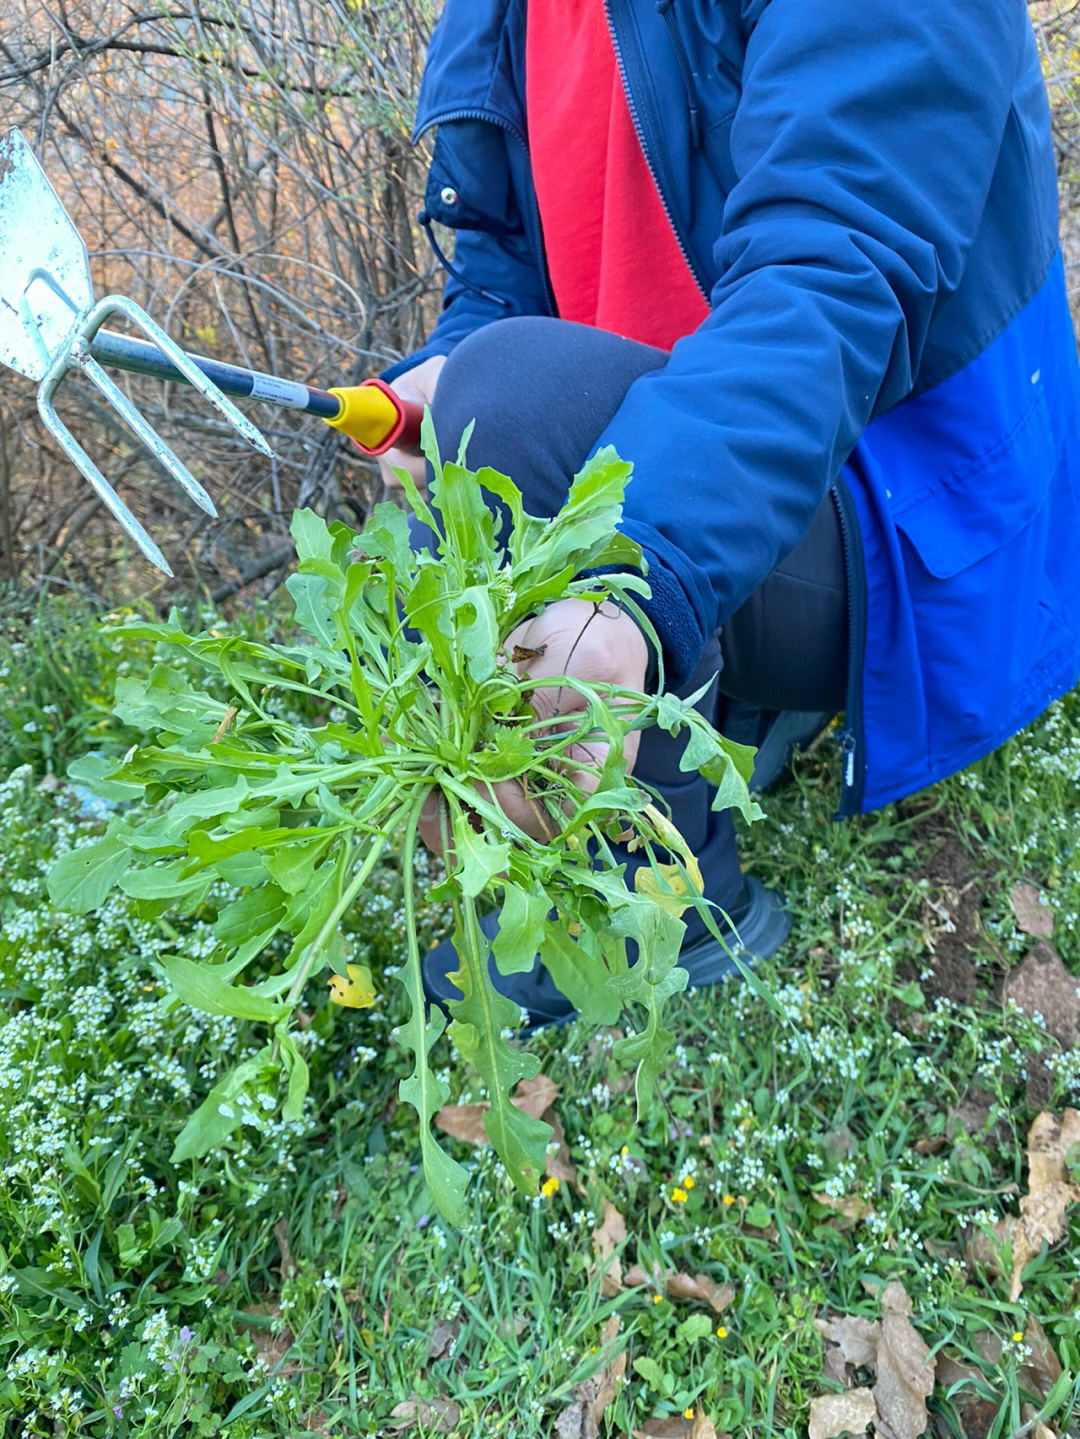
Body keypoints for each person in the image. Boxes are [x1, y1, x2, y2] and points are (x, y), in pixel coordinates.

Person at [375, 0, 1080, 1031]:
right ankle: (702, 699)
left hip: (901, 503)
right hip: (701, 467)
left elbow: (833, 271)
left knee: (513, 401)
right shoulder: (502, 14)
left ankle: (664, 886)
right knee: (467, 433)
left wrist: (627, 572)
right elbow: (500, 271)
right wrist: (445, 371)